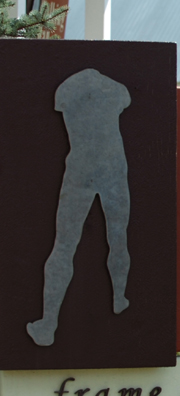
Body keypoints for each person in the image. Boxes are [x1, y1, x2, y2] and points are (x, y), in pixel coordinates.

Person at [27, 68, 131, 346]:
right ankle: (119, 297)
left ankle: (48, 324)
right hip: (112, 168)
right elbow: (125, 101)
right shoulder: (116, 89)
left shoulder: (66, 89)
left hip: (81, 169)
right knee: (118, 238)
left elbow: (64, 110)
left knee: (64, 245)